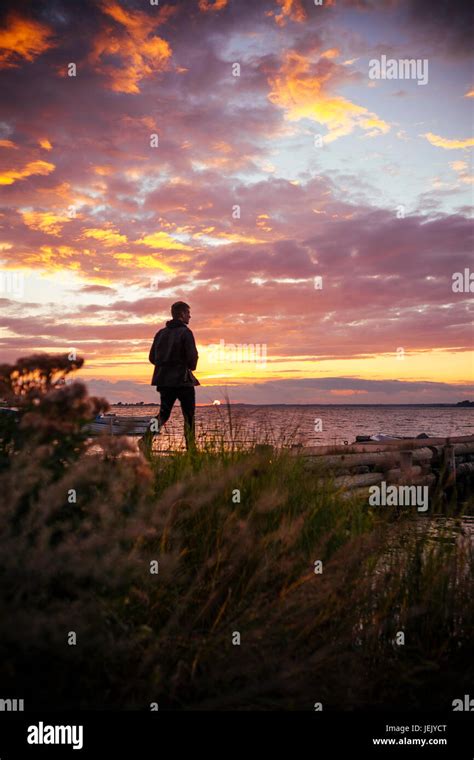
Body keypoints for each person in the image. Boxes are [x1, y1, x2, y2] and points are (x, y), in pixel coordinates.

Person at [147, 301, 199, 449]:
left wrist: (164, 366)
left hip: (163, 381)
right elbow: (192, 358)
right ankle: (191, 449)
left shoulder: (160, 333)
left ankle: (146, 438)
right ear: (182, 314)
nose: (190, 316)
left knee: (163, 414)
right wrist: (190, 366)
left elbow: (152, 358)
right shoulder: (186, 332)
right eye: (188, 313)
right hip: (182, 381)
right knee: (189, 416)